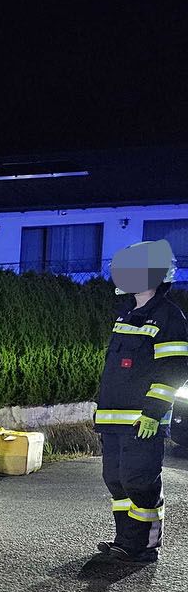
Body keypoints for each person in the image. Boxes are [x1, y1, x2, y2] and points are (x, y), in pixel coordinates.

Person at [92, 239, 188, 563]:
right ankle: (124, 541)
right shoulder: (127, 315)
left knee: (139, 482)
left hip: (142, 420)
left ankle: (145, 546)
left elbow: (174, 368)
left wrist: (153, 412)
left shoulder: (168, 317)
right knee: (116, 481)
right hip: (113, 420)